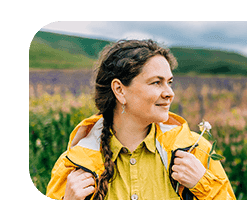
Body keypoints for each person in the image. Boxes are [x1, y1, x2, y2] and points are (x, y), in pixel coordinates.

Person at [45, 39, 235, 200]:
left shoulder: (195, 151)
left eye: (169, 82)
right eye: (156, 82)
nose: (170, 93)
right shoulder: (73, 165)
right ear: (120, 90)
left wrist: (203, 184)